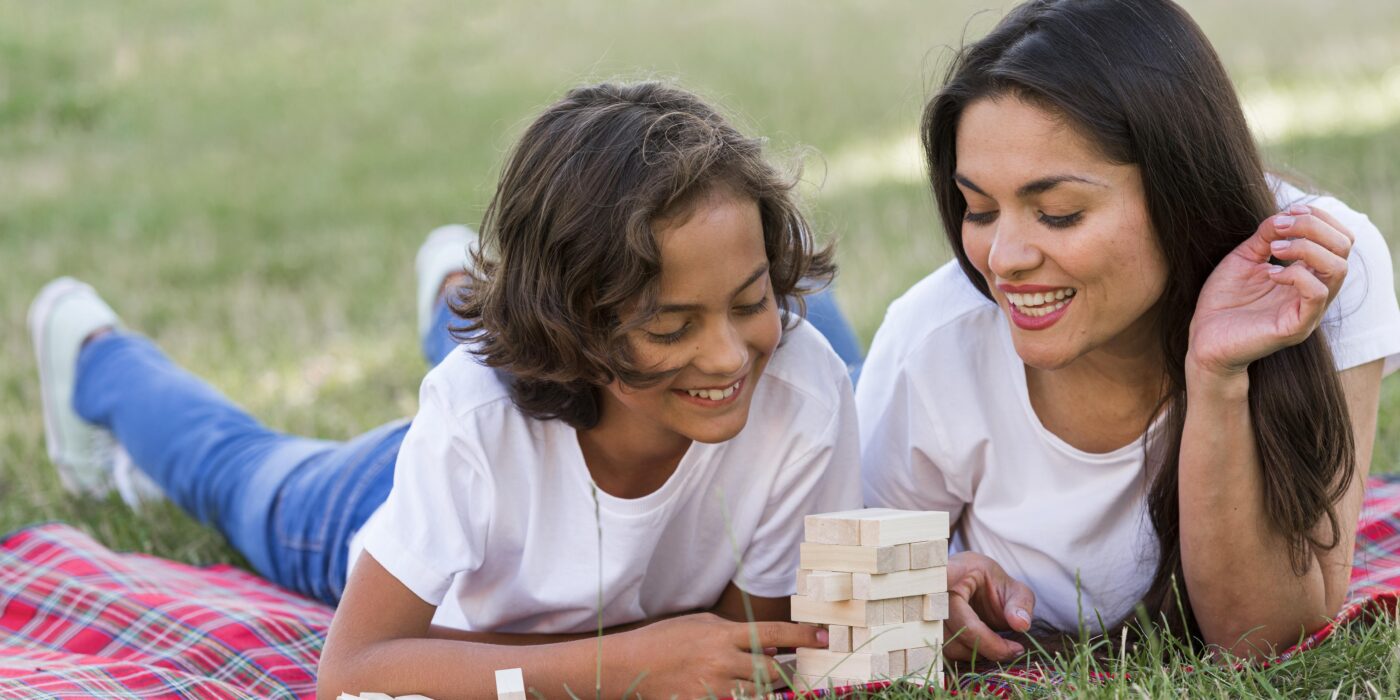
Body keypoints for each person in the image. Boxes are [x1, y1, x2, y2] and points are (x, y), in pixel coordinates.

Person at [29, 82, 862, 698]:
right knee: (240, 471)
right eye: (672, 328)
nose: (727, 356)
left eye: (749, 302)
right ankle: (95, 354)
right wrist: (620, 665)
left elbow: (734, 652)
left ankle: (457, 291)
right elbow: (354, 670)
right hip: (389, 502)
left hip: (518, 445)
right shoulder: (476, 417)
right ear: (572, 323)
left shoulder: (800, 394)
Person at [858, 0, 1400, 663]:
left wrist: (1217, 373)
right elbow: (853, 607)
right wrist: (922, 594)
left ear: (1183, 189)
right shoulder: (934, 340)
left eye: (1058, 212)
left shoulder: (1314, 270)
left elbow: (1261, 640)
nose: (1002, 260)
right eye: (978, 208)